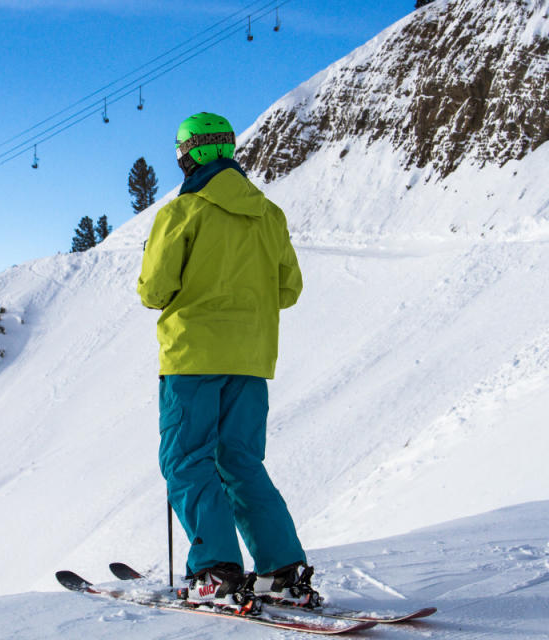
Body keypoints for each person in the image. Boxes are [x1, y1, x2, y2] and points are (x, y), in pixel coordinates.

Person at [137, 112, 318, 611]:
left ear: (190, 152)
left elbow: (154, 291)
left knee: (186, 459)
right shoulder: (269, 214)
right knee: (239, 460)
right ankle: (282, 570)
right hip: (252, 358)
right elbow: (289, 289)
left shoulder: (183, 212)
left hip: (193, 356)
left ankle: (216, 571)